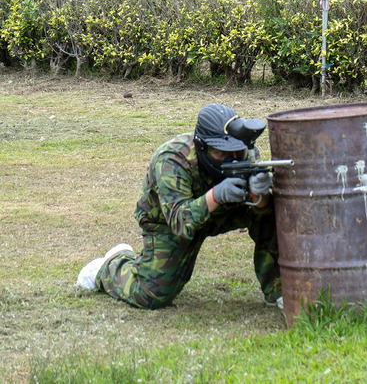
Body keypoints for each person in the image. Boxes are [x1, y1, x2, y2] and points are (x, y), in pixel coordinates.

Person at [76, 103, 282, 309]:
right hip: (168, 222)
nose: (232, 159)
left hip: (219, 212)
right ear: (202, 147)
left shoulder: (240, 152)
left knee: (274, 213)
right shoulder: (173, 159)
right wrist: (217, 195)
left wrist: (260, 193)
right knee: (152, 294)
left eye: (236, 153)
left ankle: (278, 290)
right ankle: (109, 266)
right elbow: (179, 222)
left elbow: (262, 209)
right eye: (221, 153)